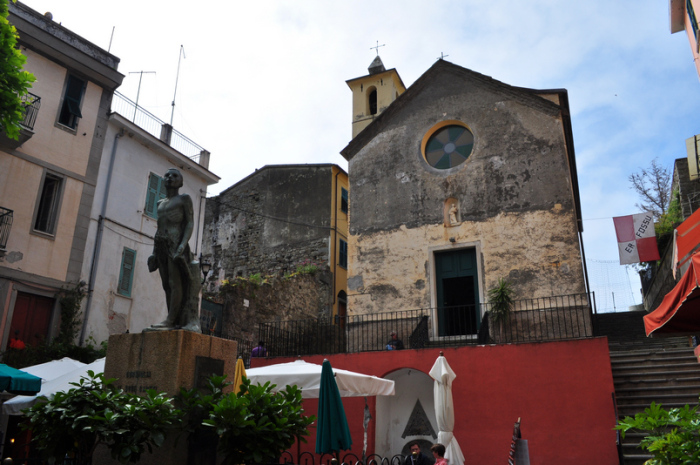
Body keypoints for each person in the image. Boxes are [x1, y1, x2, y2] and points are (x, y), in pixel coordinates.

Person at [146, 168, 201, 332]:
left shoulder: (184, 199)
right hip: (161, 244)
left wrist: (182, 245)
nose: (170, 177)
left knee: (175, 283)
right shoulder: (159, 203)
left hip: (176, 243)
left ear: (181, 182)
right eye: (167, 175)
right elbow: (159, 227)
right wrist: (154, 252)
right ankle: (172, 318)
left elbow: (190, 223)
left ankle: (170, 320)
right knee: (166, 285)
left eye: (174, 175)